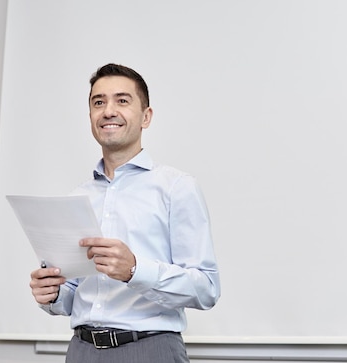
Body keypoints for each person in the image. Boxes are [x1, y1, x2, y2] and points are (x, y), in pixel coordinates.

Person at [29, 63, 220, 363]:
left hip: (151, 349)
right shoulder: (77, 197)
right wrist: (52, 294)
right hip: (81, 350)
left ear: (146, 117)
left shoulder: (176, 188)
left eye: (122, 100)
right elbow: (74, 295)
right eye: (98, 102)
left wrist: (134, 270)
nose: (108, 111)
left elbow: (206, 288)